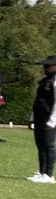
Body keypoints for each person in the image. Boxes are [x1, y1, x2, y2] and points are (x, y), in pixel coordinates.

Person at [29, 54, 56, 183]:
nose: (45, 68)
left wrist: (52, 121)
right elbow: (37, 101)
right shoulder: (45, 81)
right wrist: (32, 117)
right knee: (40, 145)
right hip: (40, 117)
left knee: (48, 145)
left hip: (50, 119)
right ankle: (42, 172)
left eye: (48, 66)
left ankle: (49, 175)